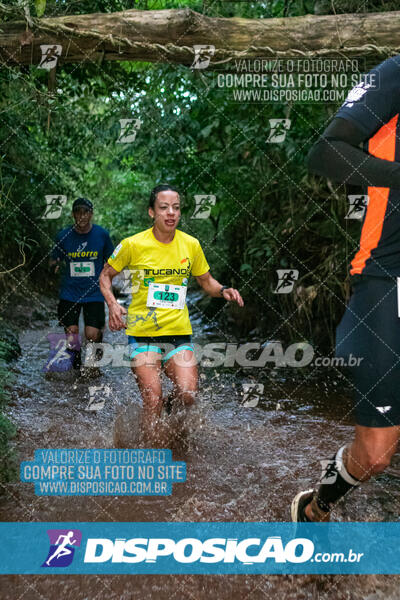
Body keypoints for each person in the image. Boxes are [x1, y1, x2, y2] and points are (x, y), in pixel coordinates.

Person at [291, 55, 400, 522]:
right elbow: (326, 152)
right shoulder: (396, 73)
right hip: (386, 276)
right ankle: (316, 508)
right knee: (376, 453)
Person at [99, 184, 243, 442]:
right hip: (142, 334)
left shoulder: (191, 245)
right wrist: (112, 304)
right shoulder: (132, 244)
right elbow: (105, 276)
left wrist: (223, 291)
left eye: (176, 208)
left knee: (188, 395)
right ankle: (153, 458)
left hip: (178, 333)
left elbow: (206, 281)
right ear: (151, 212)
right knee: (152, 398)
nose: (171, 213)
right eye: (164, 207)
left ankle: (175, 435)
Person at [50, 198, 114, 372]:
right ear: (73, 214)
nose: (82, 216)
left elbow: (112, 261)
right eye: (78, 212)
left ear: (91, 214)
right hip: (69, 292)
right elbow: (53, 259)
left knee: (92, 334)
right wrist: (54, 264)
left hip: (94, 292)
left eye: (86, 212)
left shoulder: (102, 235)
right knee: (72, 335)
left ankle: (94, 361)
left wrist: (108, 281)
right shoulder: (63, 236)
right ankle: (77, 366)